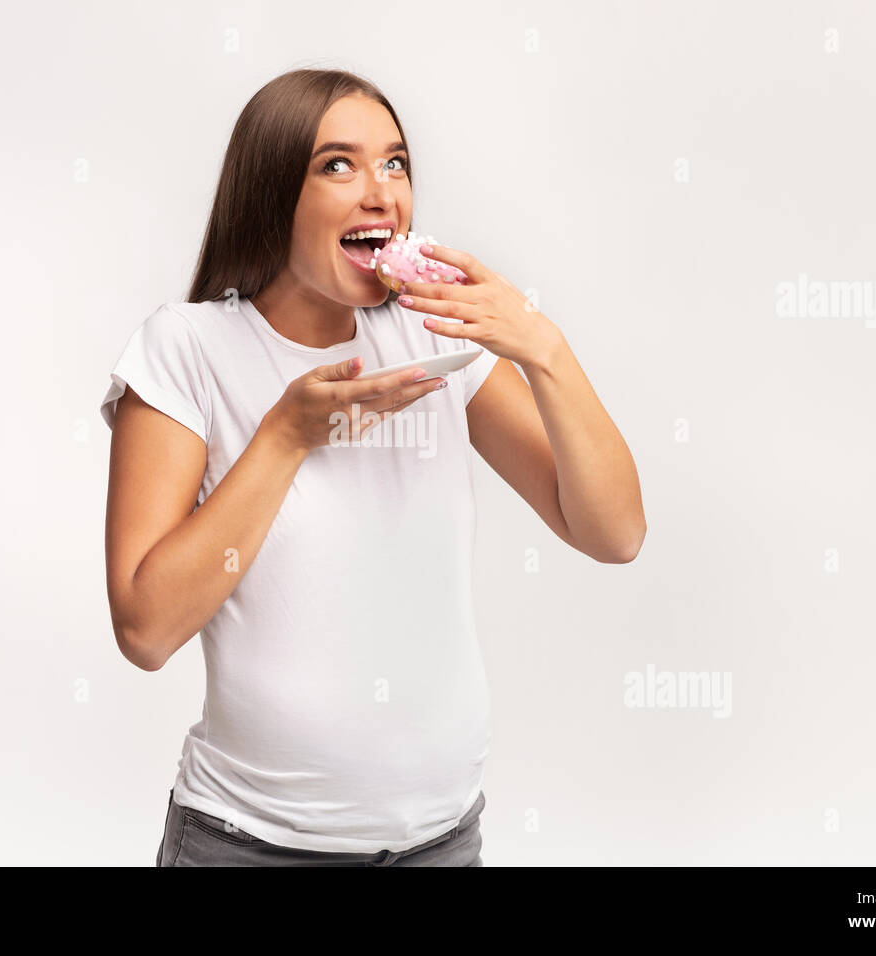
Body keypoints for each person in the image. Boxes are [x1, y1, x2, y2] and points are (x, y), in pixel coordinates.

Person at [100, 69, 646, 866]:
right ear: (271, 193)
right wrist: (286, 436)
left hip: (441, 843)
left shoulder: (434, 338)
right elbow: (145, 630)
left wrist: (544, 349)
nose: (381, 192)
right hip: (249, 847)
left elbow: (615, 533)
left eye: (395, 163)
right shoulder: (186, 349)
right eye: (338, 165)